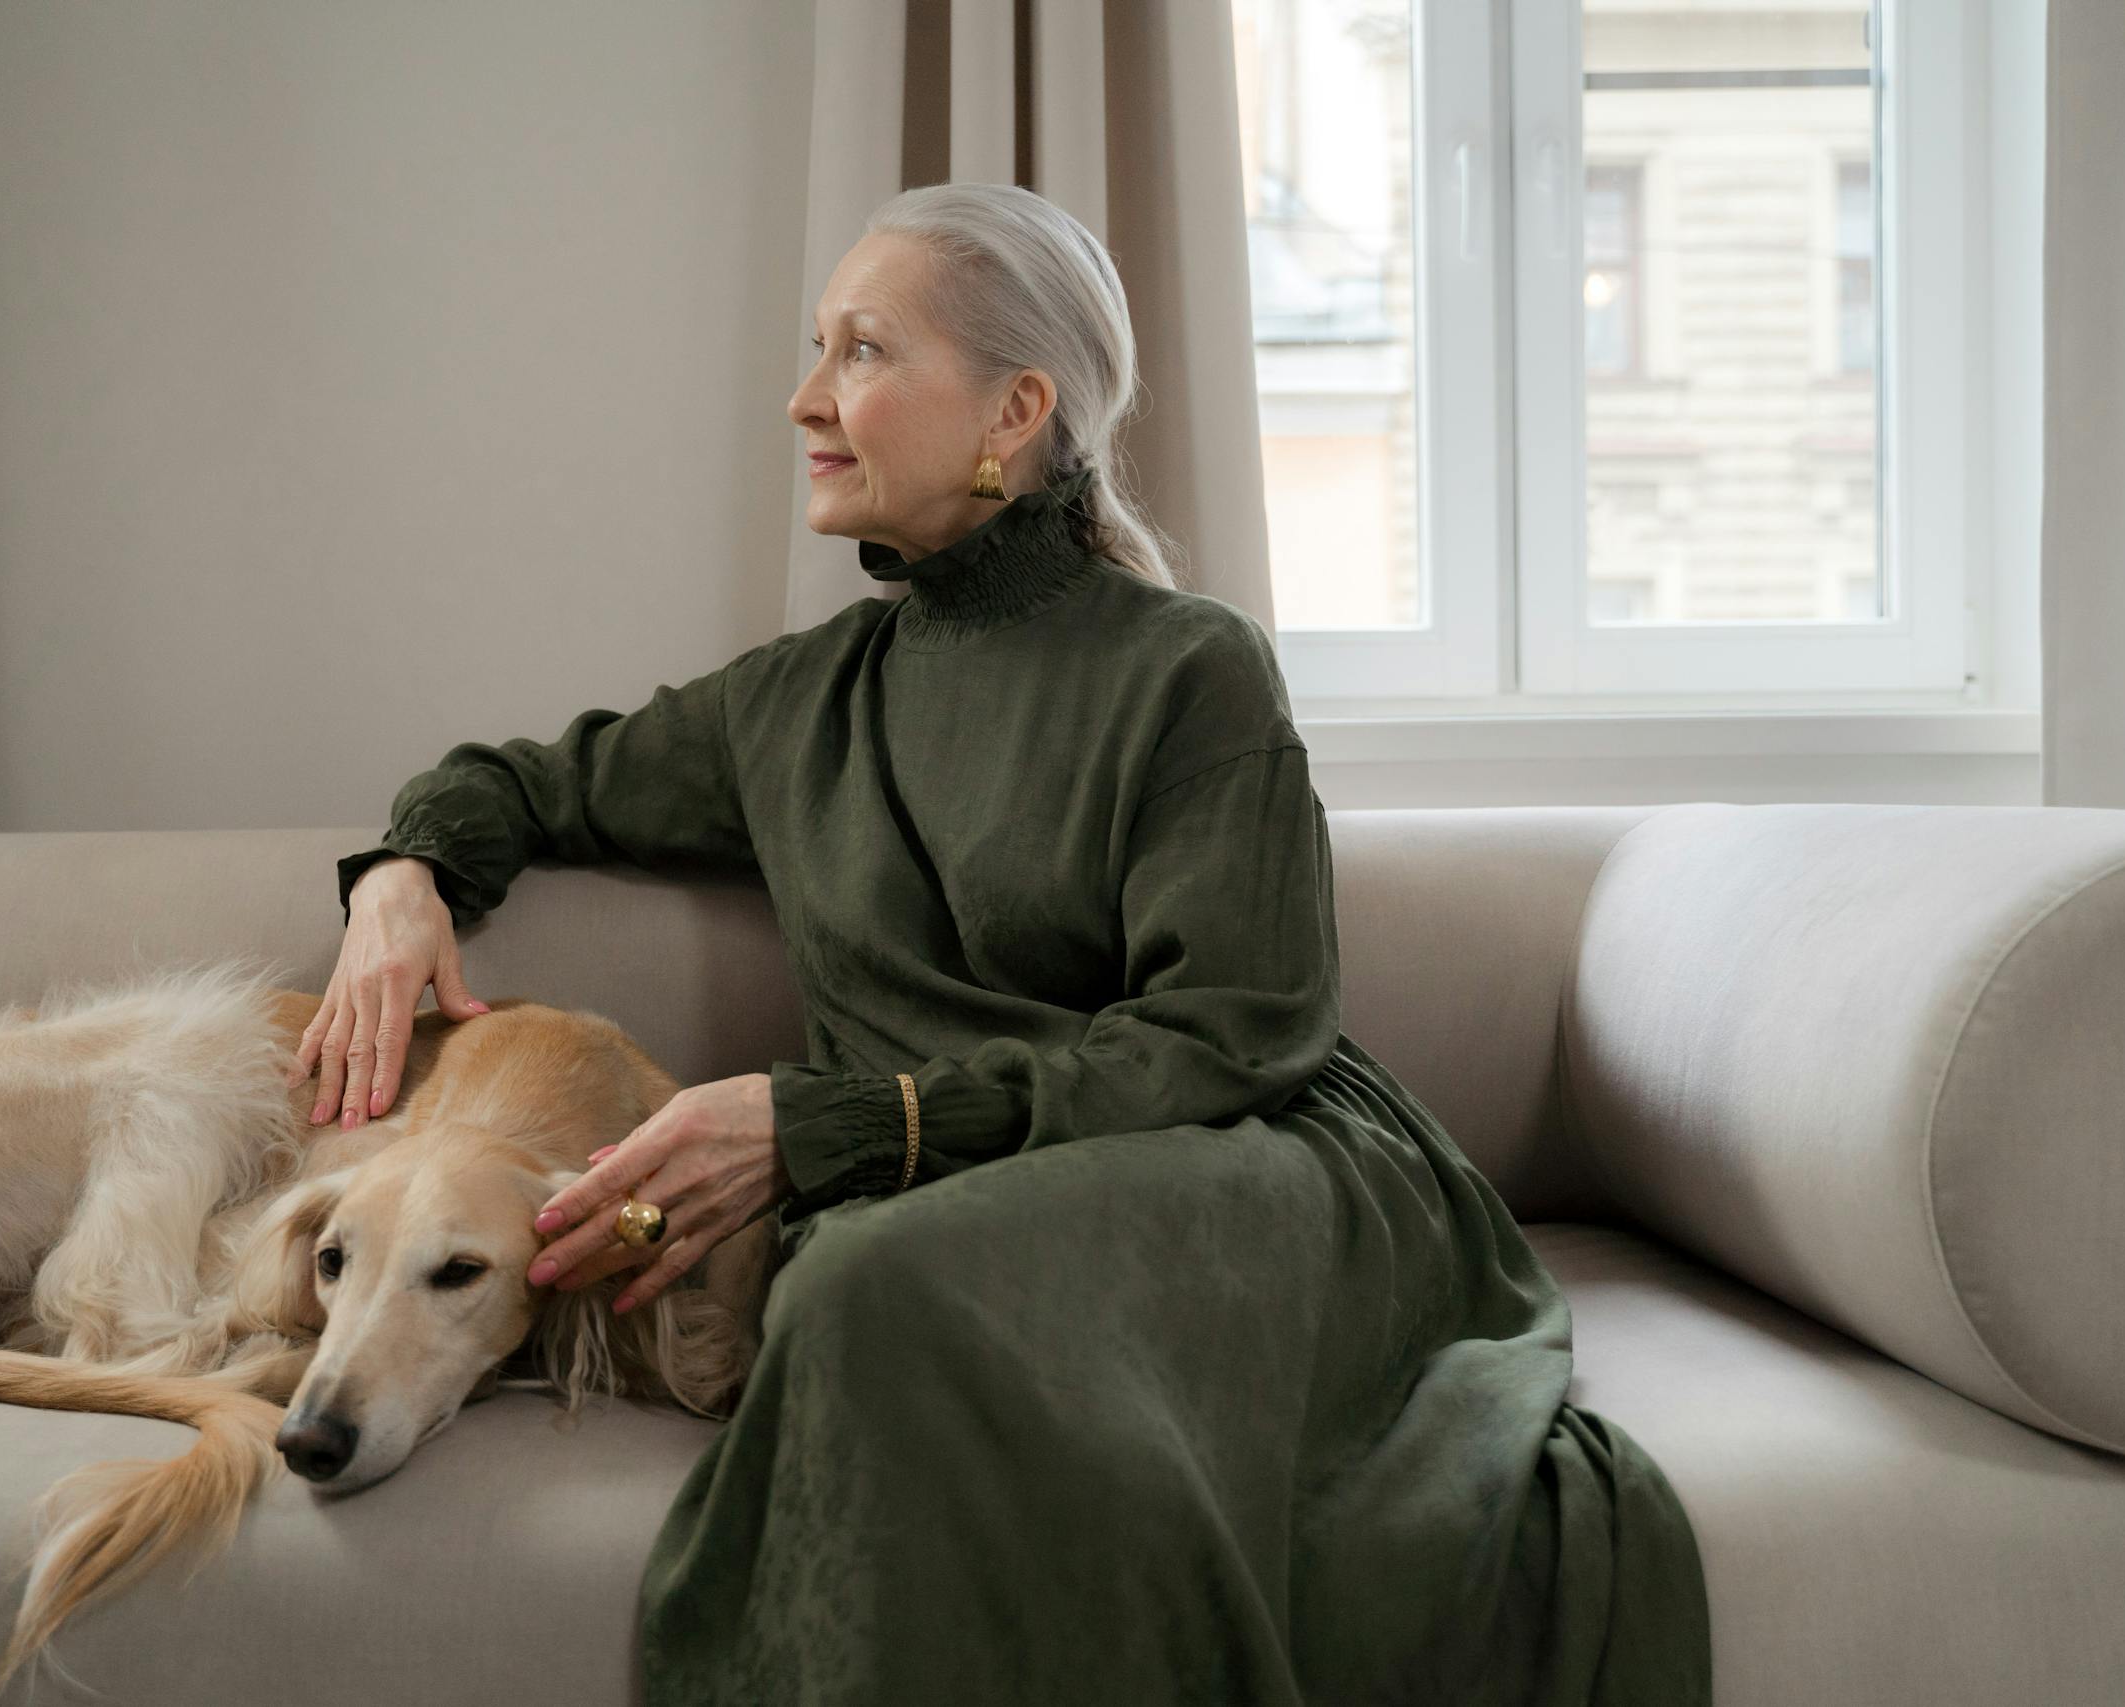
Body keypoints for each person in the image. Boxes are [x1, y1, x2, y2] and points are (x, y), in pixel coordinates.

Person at [298, 183, 1713, 1705]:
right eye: (815, 348)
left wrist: (838, 1121)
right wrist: (404, 877)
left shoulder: (1191, 669)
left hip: (1235, 1167)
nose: (805, 398)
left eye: (861, 350)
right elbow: (518, 780)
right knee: (859, 1284)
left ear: (1015, 408)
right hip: (934, 1200)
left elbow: (1235, 1036)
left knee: (859, 1291)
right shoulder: (793, 705)